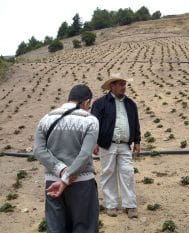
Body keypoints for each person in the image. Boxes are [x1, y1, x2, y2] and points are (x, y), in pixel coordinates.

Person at [34, 84, 99, 233]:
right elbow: (84, 154)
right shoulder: (90, 120)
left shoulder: (46, 118)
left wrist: (60, 170)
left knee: (55, 227)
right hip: (82, 183)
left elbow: (38, 150)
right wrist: (67, 176)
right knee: (84, 226)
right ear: (87, 102)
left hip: (52, 182)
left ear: (69, 98)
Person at [91, 75, 141, 218]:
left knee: (128, 173)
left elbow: (135, 123)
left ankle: (130, 205)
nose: (123, 87)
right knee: (108, 173)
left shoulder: (131, 104)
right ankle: (111, 205)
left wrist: (137, 141)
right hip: (107, 145)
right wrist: (95, 141)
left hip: (125, 145)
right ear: (112, 86)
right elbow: (94, 123)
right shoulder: (100, 103)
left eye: (124, 84)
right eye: (120, 84)